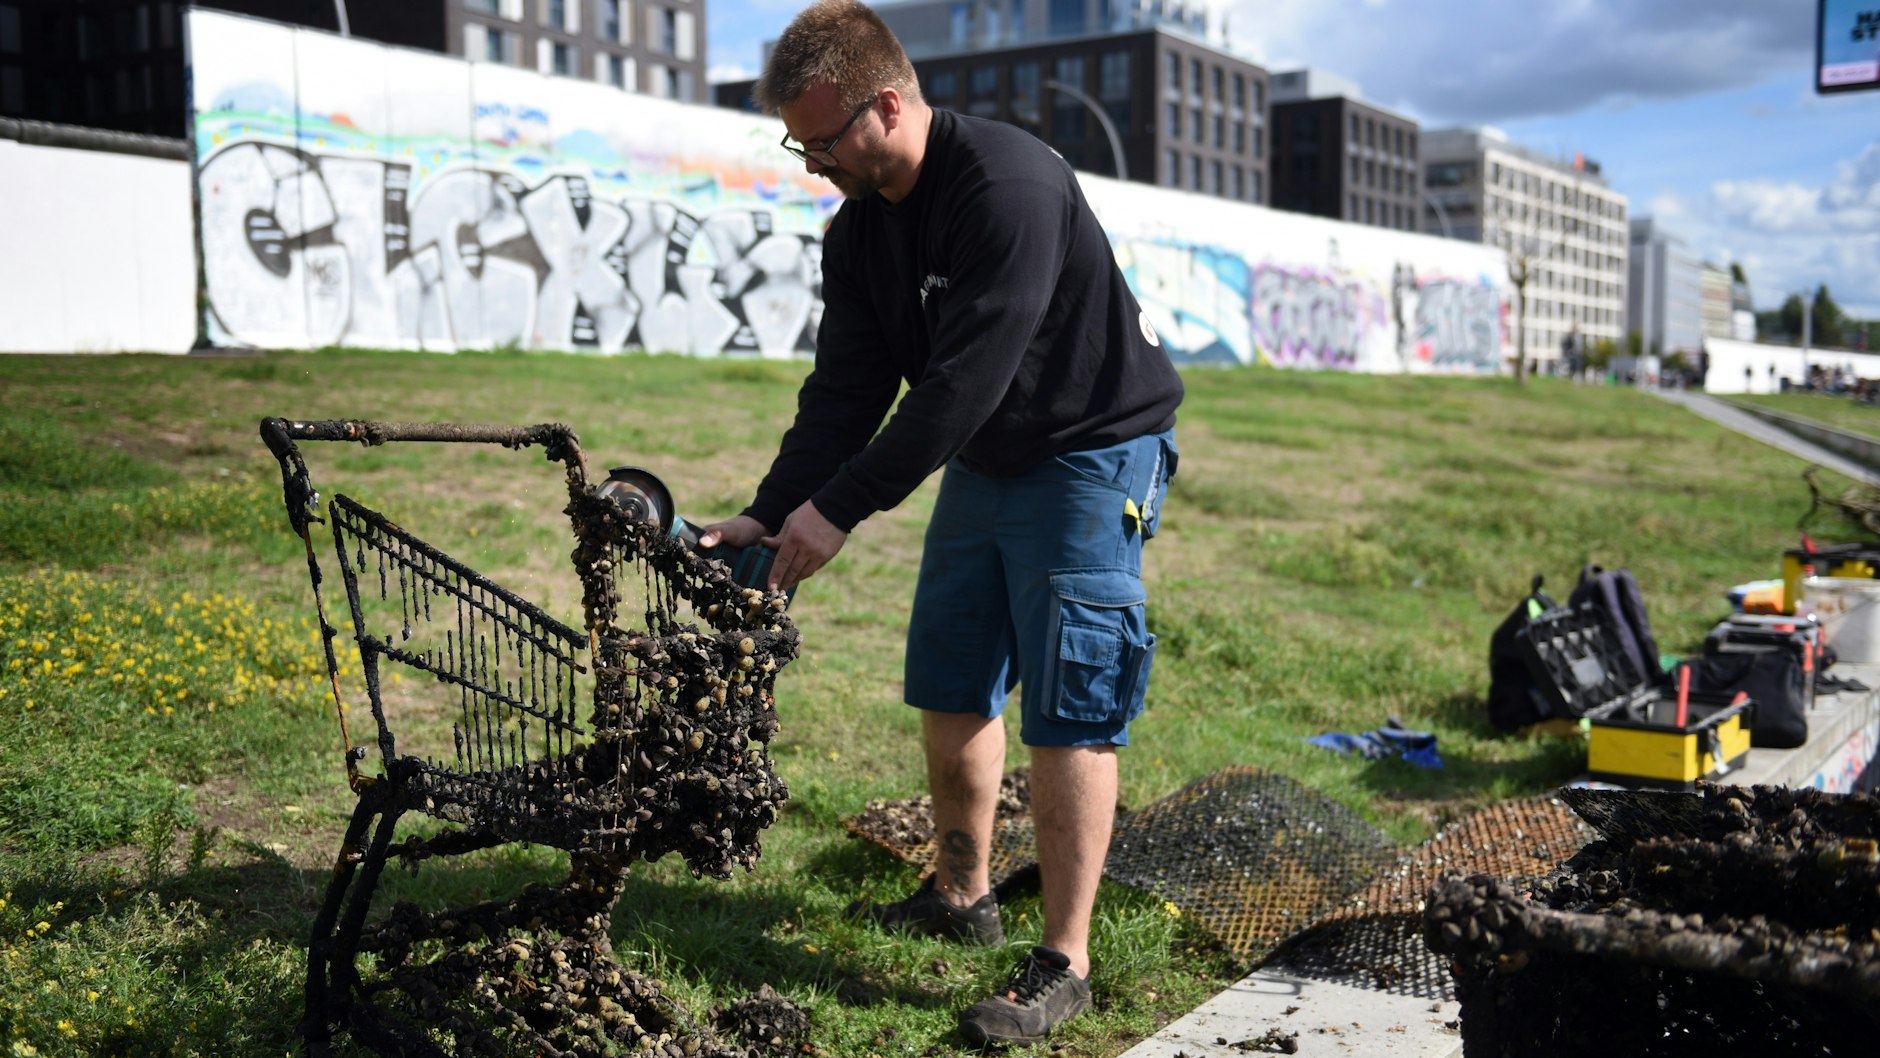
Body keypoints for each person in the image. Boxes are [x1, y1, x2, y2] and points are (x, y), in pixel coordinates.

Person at [695, 0, 1182, 1045]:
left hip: (1091, 447)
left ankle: (1064, 958)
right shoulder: (858, 232)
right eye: (797, 141)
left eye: (822, 139)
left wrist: (841, 510)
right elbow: (844, 392)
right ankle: (960, 895)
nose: (811, 159)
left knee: (1069, 698)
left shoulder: (1005, 186)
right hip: (990, 451)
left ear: (886, 102)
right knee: (952, 675)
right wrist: (770, 509)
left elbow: (958, 383)